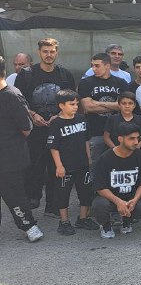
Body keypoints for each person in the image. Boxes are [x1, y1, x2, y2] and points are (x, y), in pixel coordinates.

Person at [15, 37, 76, 215]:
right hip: (34, 131)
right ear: (39, 52)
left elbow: (73, 101)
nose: (49, 55)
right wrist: (33, 115)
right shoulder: (26, 75)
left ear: (57, 52)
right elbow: (18, 101)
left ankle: (53, 206)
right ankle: (31, 201)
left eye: (52, 51)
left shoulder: (65, 75)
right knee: (33, 166)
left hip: (59, 130)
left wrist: (59, 115)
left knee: (57, 168)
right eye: (45, 51)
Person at [0, 55, 43, 242]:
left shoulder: (12, 95)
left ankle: (29, 225)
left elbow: (26, 128)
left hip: (10, 158)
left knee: (14, 195)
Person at [46, 89, 98, 235]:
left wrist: (88, 157)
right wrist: (59, 166)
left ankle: (83, 218)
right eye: (71, 104)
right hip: (65, 166)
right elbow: (53, 147)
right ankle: (64, 221)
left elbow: (86, 139)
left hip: (82, 164)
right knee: (63, 194)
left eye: (76, 104)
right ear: (61, 105)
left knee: (86, 192)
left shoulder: (81, 118)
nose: (75, 107)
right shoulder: (56, 123)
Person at [92, 121, 141, 238]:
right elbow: (100, 187)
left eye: (137, 138)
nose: (136, 142)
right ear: (120, 139)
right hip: (110, 199)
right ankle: (106, 226)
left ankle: (127, 221)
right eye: (131, 138)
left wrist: (135, 200)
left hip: (131, 197)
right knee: (99, 204)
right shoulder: (105, 158)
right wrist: (118, 201)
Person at [78, 52, 128, 165]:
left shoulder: (121, 83)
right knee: (94, 164)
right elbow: (88, 107)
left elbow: (124, 107)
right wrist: (114, 105)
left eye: (97, 66)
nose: (93, 69)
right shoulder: (86, 83)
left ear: (107, 66)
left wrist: (96, 102)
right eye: (92, 65)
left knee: (117, 163)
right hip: (94, 131)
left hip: (116, 132)